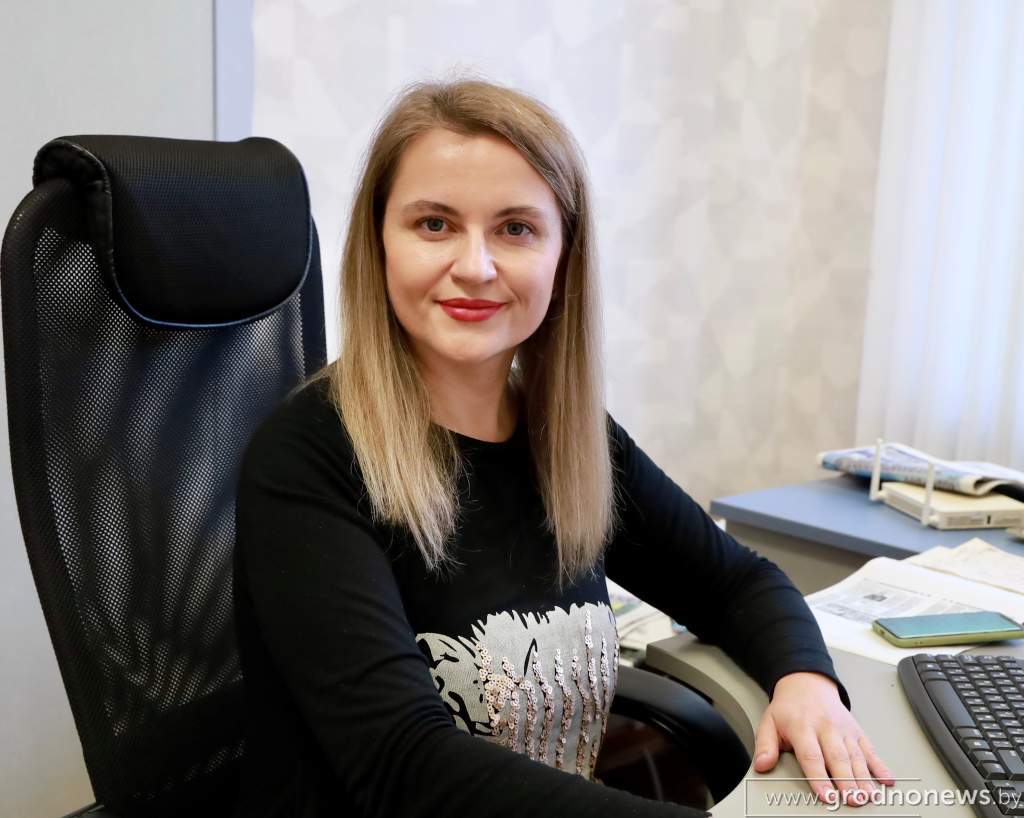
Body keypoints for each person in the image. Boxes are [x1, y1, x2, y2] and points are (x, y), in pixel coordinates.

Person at [231, 78, 894, 818]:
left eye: (515, 228)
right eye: (434, 224)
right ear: (379, 243)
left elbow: (734, 583)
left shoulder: (567, 439)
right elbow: (405, 767)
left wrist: (805, 681)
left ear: (562, 256)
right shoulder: (309, 457)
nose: (475, 266)